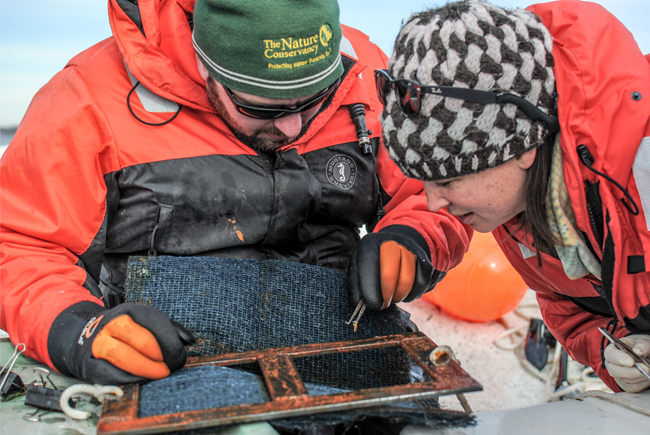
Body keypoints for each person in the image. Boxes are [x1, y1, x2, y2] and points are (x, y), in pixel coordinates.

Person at [0, 0, 471, 386]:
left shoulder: (367, 73)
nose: (293, 127)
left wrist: (415, 237)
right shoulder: (85, 101)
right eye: (262, 107)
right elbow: (20, 246)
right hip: (159, 355)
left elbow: (438, 192)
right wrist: (73, 327)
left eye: (314, 100)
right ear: (205, 66)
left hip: (340, 336)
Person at [377, 0, 650, 393]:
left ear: (523, 148)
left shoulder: (641, 165)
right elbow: (568, 308)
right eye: (424, 181)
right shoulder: (513, 204)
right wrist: (610, 348)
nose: (435, 203)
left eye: (450, 180)